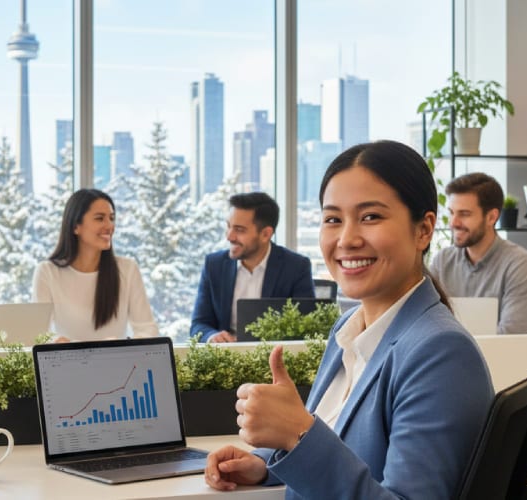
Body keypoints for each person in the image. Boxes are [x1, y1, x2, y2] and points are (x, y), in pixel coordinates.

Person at [204, 141, 494, 499]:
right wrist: (265, 462)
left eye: (370, 216)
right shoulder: (349, 327)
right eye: (332, 219)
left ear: (423, 230)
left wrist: (296, 433)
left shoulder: (440, 352)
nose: (346, 239)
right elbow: (334, 434)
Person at [32, 188, 158, 341]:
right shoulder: (48, 272)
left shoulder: (127, 269)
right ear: (75, 226)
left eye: (111, 218)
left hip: (117, 362)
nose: (109, 226)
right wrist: (56, 342)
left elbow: (147, 329)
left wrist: (125, 346)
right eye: (100, 218)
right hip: (69, 363)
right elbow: (39, 335)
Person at [190, 192, 315, 343]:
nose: (229, 236)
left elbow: (306, 328)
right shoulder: (214, 265)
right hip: (225, 356)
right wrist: (212, 336)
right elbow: (199, 324)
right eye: (228, 226)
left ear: (265, 234)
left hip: (271, 356)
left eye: (239, 230)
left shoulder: (296, 267)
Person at [429, 172, 527, 334]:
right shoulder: (443, 260)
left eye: (464, 214)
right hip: (449, 354)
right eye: (451, 212)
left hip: (501, 357)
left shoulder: (519, 263)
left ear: (491, 217)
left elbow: (510, 334)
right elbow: (427, 320)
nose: (453, 223)